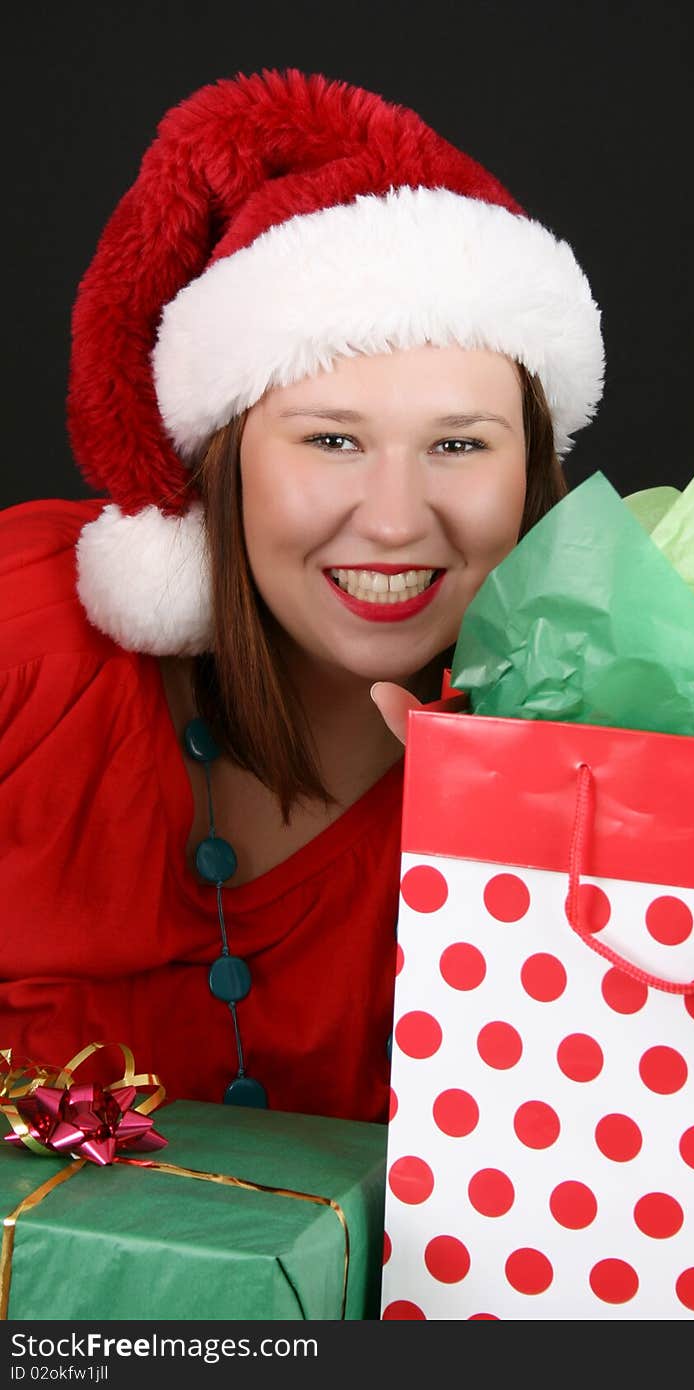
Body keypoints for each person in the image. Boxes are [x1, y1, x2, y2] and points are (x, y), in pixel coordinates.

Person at [0, 66, 604, 1123]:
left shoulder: (615, 766)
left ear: (531, 474)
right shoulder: (31, 638)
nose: (392, 519)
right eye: (331, 440)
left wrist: (515, 832)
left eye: (458, 444)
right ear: (224, 462)